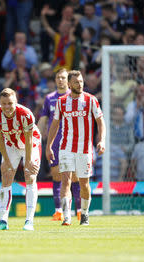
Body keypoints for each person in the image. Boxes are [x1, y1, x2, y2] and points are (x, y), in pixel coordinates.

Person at [46, 70, 106, 226]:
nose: (80, 84)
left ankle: (84, 213)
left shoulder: (91, 100)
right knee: (65, 180)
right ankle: (67, 216)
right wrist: (49, 146)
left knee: (84, 183)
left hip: (85, 149)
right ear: (69, 84)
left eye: (81, 81)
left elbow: (100, 122)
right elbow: (54, 125)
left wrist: (102, 140)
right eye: (76, 82)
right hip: (65, 148)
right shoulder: (61, 102)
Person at [0, 88, 41, 231]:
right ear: (0, 103)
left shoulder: (26, 114)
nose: (6, 107)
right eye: (3, 103)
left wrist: (28, 161)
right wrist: (6, 160)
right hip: (11, 144)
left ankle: (29, 221)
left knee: (30, 175)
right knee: (6, 175)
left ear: (16, 102)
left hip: (31, 144)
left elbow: (29, 140)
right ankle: (3, 221)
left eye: (10, 103)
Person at [38, 68, 82, 221]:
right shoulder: (50, 98)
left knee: (75, 177)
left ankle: (79, 210)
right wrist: (37, 135)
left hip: (73, 140)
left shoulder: (75, 97)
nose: (60, 80)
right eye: (58, 77)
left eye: (63, 77)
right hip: (56, 142)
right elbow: (44, 118)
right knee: (57, 175)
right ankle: (58, 211)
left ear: (69, 81)